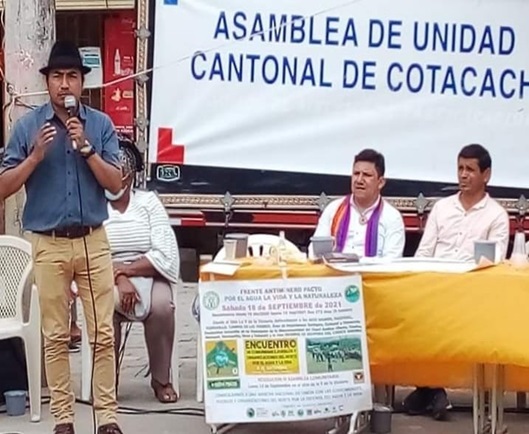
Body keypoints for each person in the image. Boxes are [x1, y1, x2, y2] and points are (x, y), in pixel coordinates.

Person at [0, 41, 124, 434]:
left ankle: (107, 418)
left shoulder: (100, 125)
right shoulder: (27, 127)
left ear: (82, 83)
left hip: (93, 239)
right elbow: (3, 186)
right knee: (55, 335)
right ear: (48, 82)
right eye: (57, 76)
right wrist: (35, 157)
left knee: (102, 332)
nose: (64, 84)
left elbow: (116, 184)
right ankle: (64, 420)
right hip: (48, 241)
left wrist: (87, 148)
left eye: (72, 76)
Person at [403, 143, 510, 421]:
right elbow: (424, 253)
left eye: (470, 169)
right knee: (407, 311)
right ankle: (431, 389)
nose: (463, 175)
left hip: (471, 293)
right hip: (434, 288)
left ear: (486, 175)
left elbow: (495, 262)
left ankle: (429, 391)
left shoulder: (496, 215)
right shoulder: (442, 208)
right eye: (460, 168)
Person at [103, 137, 180, 403]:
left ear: (128, 176)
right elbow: (92, 253)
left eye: (116, 170)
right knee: (103, 309)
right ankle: (106, 384)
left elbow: (165, 253)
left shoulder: (148, 203)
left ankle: (161, 379)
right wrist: (119, 278)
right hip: (107, 274)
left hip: (148, 271)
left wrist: (127, 271)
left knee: (162, 306)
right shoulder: (95, 206)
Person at [309, 148, 405, 258]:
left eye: (367, 175)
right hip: (335, 268)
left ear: (381, 182)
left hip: (373, 269)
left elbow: (392, 261)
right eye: (356, 173)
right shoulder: (333, 209)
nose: (359, 180)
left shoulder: (392, 217)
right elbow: (315, 252)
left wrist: (358, 264)